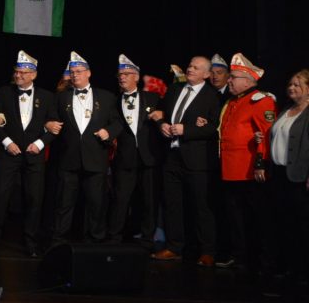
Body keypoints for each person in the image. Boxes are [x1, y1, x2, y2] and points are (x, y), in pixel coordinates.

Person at [45, 51, 122, 246]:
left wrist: (109, 132)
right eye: (72, 72)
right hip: (68, 158)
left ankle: (95, 240)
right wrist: (48, 124)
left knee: (96, 203)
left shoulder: (106, 97)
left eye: (79, 71)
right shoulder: (61, 97)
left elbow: (118, 122)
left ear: (89, 73)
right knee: (64, 203)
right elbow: (50, 118)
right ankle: (58, 241)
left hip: (96, 157)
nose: (75, 75)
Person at [153, 56, 221, 263]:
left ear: (206, 74)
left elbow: (214, 128)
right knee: (172, 204)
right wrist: (162, 125)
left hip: (197, 160)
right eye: (190, 65)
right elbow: (161, 113)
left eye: (196, 68)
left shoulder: (213, 96)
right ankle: (174, 247)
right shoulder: (175, 89)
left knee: (202, 206)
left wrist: (187, 130)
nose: (190, 69)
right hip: (172, 156)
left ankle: (207, 251)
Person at [0, 51, 54, 257]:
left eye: (23, 72)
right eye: (16, 71)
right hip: (10, 154)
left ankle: (31, 242)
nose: (18, 75)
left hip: (34, 156)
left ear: (33, 74)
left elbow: (55, 126)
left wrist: (40, 144)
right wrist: (7, 143)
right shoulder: (5, 92)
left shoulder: (47, 96)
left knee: (34, 199)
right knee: (0, 196)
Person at [215, 53, 276, 272]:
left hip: (249, 169)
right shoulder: (232, 101)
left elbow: (267, 135)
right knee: (235, 217)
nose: (229, 80)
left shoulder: (261, 101)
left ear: (248, 81)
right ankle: (240, 256)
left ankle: (263, 259)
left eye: (233, 77)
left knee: (257, 217)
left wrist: (260, 163)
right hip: (230, 169)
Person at [106, 54, 164, 247]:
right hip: (125, 158)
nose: (122, 77)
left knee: (149, 200)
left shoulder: (154, 98)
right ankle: (115, 238)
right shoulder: (113, 102)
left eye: (127, 74)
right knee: (120, 200)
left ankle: (147, 238)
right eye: (120, 75)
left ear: (137, 77)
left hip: (149, 157)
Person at [265, 69, 309, 282]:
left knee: (302, 224)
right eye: (290, 84)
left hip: (300, 176)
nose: (292, 88)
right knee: (283, 222)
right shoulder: (286, 109)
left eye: (297, 85)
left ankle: (303, 269)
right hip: (280, 174)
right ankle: (289, 266)